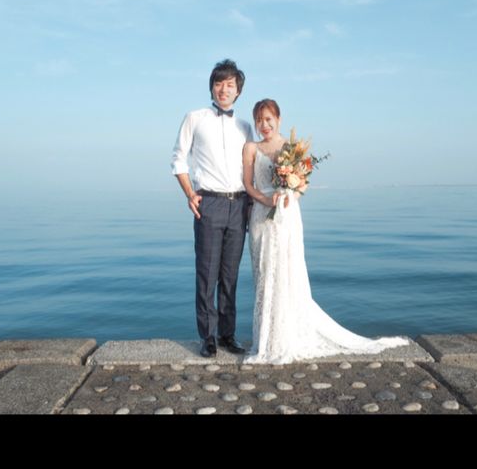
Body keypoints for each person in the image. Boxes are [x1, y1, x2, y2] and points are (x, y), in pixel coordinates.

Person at [242, 99, 408, 364]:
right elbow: (248, 184)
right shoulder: (251, 147)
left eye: (268, 119)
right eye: (259, 120)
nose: (264, 125)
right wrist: (266, 200)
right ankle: (267, 338)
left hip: (287, 216)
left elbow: (302, 184)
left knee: (288, 273)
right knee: (265, 274)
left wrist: (289, 196)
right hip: (262, 216)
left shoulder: (293, 148)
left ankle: (288, 335)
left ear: (279, 119)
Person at [171, 59, 253, 358]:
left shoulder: (245, 127)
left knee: (230, 276)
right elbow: (178, 158)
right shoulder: (194, 118)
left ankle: (227, 334)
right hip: (210, 203)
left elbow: (251, 166)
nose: (224, 89)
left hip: (240, 204)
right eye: (219, 83)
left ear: (238, 91)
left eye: (230, 84)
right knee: (207, 274)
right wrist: (190, 193)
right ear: (212, 87)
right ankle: (207, 337)